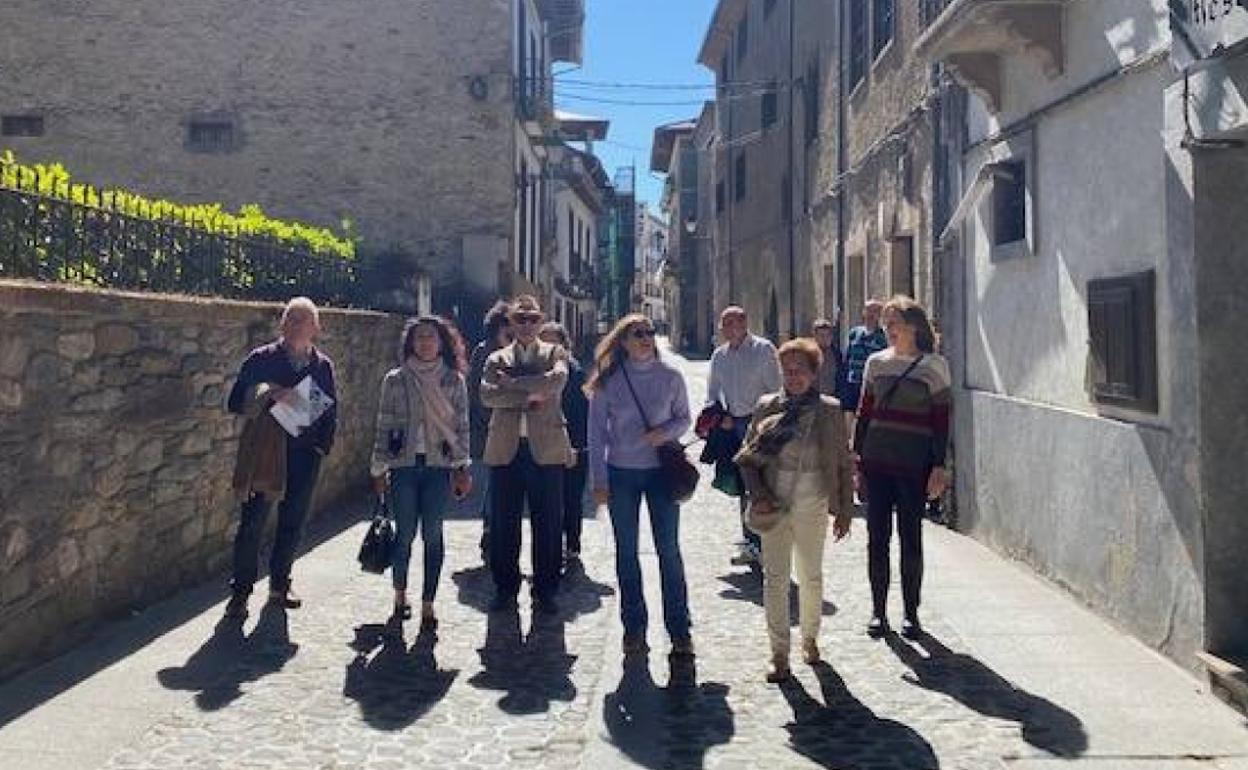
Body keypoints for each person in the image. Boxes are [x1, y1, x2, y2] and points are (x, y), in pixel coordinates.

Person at [736, 338, 855, 681]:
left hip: (813, 503)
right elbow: (747, 458)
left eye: (800, 370)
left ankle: (810, 638)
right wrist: (757, 494)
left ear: (814, 372)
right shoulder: (766, 407)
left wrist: (845, 508)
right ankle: (778, 652)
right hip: (774, 504)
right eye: (787, 371)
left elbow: (844, 462)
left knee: (811, 576)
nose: (793, 377)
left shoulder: (829, 411)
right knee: (775, 579)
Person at [586, 314, 693, 657]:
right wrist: (598, 479)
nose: (646, 338)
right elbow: (596, 434)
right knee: (627, 553)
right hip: (622, 474)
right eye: (638, 334)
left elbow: (684, 419)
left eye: (650, 333)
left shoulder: (671, 377)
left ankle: (679, 629)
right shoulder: (608, 382)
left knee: (669, 551)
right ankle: (634, 627)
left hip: (661, 474)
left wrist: (663, 433)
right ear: (623, 342)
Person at [224, 297, 337, 619]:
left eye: (304, 319)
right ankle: (240, 592)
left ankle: (279, 585)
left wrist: (321, 447)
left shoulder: (322, 365)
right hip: (265, 452)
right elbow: (235, 401)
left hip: (305, 453)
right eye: (291, 318)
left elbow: (330, 409)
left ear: (316, 327)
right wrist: (270, 393)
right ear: (282, 324)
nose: (297, 324)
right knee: (253, 522)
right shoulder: (261, 359)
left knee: (293, 522)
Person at [854, 296, 951, 639]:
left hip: (914, 464)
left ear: (912, 326)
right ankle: (878, 612)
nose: (888, 330)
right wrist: (857, 461)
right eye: (885, 324)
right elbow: (865, 414)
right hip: (878, 461)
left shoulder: (934, 366)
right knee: (876, 539)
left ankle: (911, 613)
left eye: (893, 323)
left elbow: (941, 421)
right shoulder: (875, 364)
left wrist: (939, 466)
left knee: (911, 538)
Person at [369, 316, 472, 624]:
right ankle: (400, 596)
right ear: (411, 343)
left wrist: (462, 466)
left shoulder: (454, 381)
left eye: (431, 337)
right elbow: (384, 423)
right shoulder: (395, 379)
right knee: (404, 536)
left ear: (442, 342)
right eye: (419, 337)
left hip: (439, 468)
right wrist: (377, 467)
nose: (425, 342)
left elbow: (462, 426)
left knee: (433, 534)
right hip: (404, 467)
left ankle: (429, 601)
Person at [480, 296, 573, 616]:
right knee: (504, 524)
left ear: (541, 320)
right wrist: (529, 394)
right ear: (511, 322)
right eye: (520, 319)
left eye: (532, 318)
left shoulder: (554, 353)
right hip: (506, 448)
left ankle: (546, 590)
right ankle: (505, 588)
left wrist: (513, 384)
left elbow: (556, 382)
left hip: (545, 449)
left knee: (547, 524)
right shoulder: (496, 358)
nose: (527, 324)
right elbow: (487, 395)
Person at [705, 306, 782, 569]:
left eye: (733, 323)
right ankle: (750, 542)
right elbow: (712, 392)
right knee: (742, 486)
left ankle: (770, 540)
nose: (728, 329)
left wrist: (768, 421)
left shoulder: (764, 350)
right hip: (733, 425)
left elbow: (776, 390)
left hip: (761, 425)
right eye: (724, 325)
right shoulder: (719, 356)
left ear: (745, 323)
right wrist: (718, 414)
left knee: (765, 483)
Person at [539, 321, 590, 569]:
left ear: (564, 345)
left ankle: (571, 543)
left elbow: (581, 413)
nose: (550, 346)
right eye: (545, 341)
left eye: (554, 341)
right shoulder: (536, 372)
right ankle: (552, 546)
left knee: (571, 497)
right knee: (549, 500)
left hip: (572, 444)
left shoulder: (575, 372)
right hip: (544, 445)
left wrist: (577, 447)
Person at [468, 301, 512, 565]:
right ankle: (490, 531)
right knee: (493, 482)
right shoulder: (483, 353)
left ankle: (493, 530)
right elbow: (475, 391)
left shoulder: (517, 353)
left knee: (498, 484)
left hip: (510, 431)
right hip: (487, 430)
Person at [841, 300, 888, 437]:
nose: (870, 314)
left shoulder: (883, 337)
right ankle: (849, 441)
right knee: (849, 411)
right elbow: (847, 356)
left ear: (880, 314)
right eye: (868, 310)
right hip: (853, 380)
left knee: (866, 413)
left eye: (874, 311)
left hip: (870, 383)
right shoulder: (854, 333)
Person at [812, 317, 843, 398]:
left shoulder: (837, 354)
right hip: (813, 398)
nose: (825, 339)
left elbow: (841, 377)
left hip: (832, 397)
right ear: (815, 336)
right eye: (822, 335)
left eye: (828, 335)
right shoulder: (808, 354)